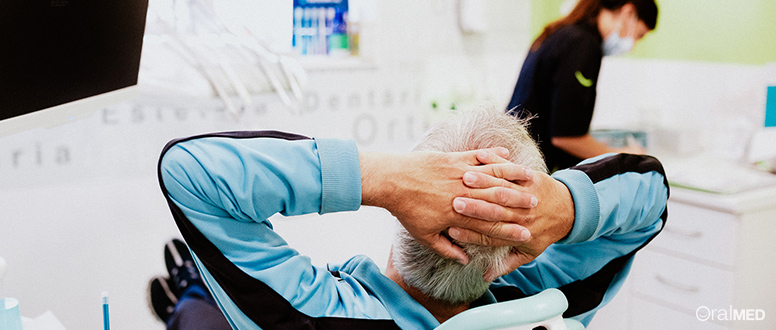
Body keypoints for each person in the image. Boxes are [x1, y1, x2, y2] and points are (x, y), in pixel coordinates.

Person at [156, 107, 668, 329]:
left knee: (206, 312)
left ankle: (191, 293)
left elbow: (191, 174)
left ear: (411, 216)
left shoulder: (321, 317)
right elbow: (649, 195)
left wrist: (387, 179)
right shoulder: (550, 303)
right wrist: (563, 205)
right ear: (515, 253)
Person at [506, 0, 658, 171]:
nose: (633, 46)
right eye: (639, 35)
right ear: (629, 13)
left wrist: (594, 147)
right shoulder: (582, 44)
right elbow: (566, 136)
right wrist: (619, 154)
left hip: (515, 156)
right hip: (528, 166)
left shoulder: (564, 33)